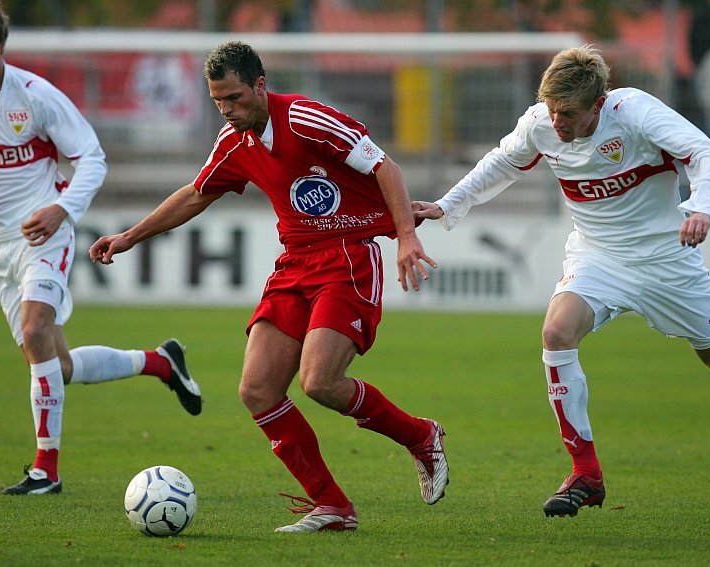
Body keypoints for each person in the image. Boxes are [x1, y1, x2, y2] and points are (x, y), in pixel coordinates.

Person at [90, 40, 449, 533]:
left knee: (319, 382)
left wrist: (405, 235)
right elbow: (198, 193)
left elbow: (386, 166)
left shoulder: (308, 119)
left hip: (348, 255)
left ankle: (420, 436)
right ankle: (333, 507)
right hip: (295, 264)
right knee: (257, 390)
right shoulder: (233, 140)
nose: (227, 110)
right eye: (218, 101)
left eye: (234, 98)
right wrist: (130, 236)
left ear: (261, 85)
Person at [412, 44, 710, 517]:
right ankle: (585, 472)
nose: (557, 122)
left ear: (598, 104)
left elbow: (707, 155)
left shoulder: (636, 114)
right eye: (551, 110)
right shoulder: (541, 123)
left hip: (667, 257)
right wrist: (446, 205)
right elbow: (501, 163)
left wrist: (702, 208)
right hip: (598, 256)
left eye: (567, 112)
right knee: (556, 332)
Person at [0, 0, 203, 496]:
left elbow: (92, 157)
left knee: (36, 332)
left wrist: (63, 210)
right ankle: (161, 361)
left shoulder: (35, 96)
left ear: (1, 44)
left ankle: (45, 471)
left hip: (44, 232)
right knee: (59, 364)